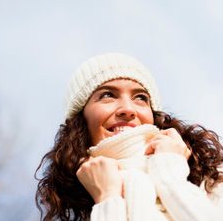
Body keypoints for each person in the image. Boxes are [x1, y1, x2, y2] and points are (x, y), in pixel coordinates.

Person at [35, 53, 223, 221]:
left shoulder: (212, 177)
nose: (127, 109)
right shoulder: (90, 207)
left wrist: (169, 172)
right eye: (108, 95)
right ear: (81, 120)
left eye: (140, 97)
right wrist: (108, 198)